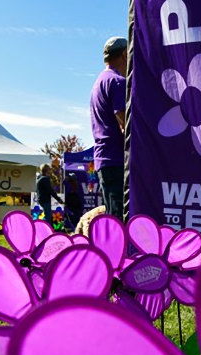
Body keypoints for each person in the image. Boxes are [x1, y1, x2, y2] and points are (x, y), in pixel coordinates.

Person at [91, 36, 127, 220]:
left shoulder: (100, 81)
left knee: (112, 219)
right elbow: (125, 126)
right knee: (119, 221)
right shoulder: (118, 82)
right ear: (124, 54)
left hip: (104, 159)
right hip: (116, 159)